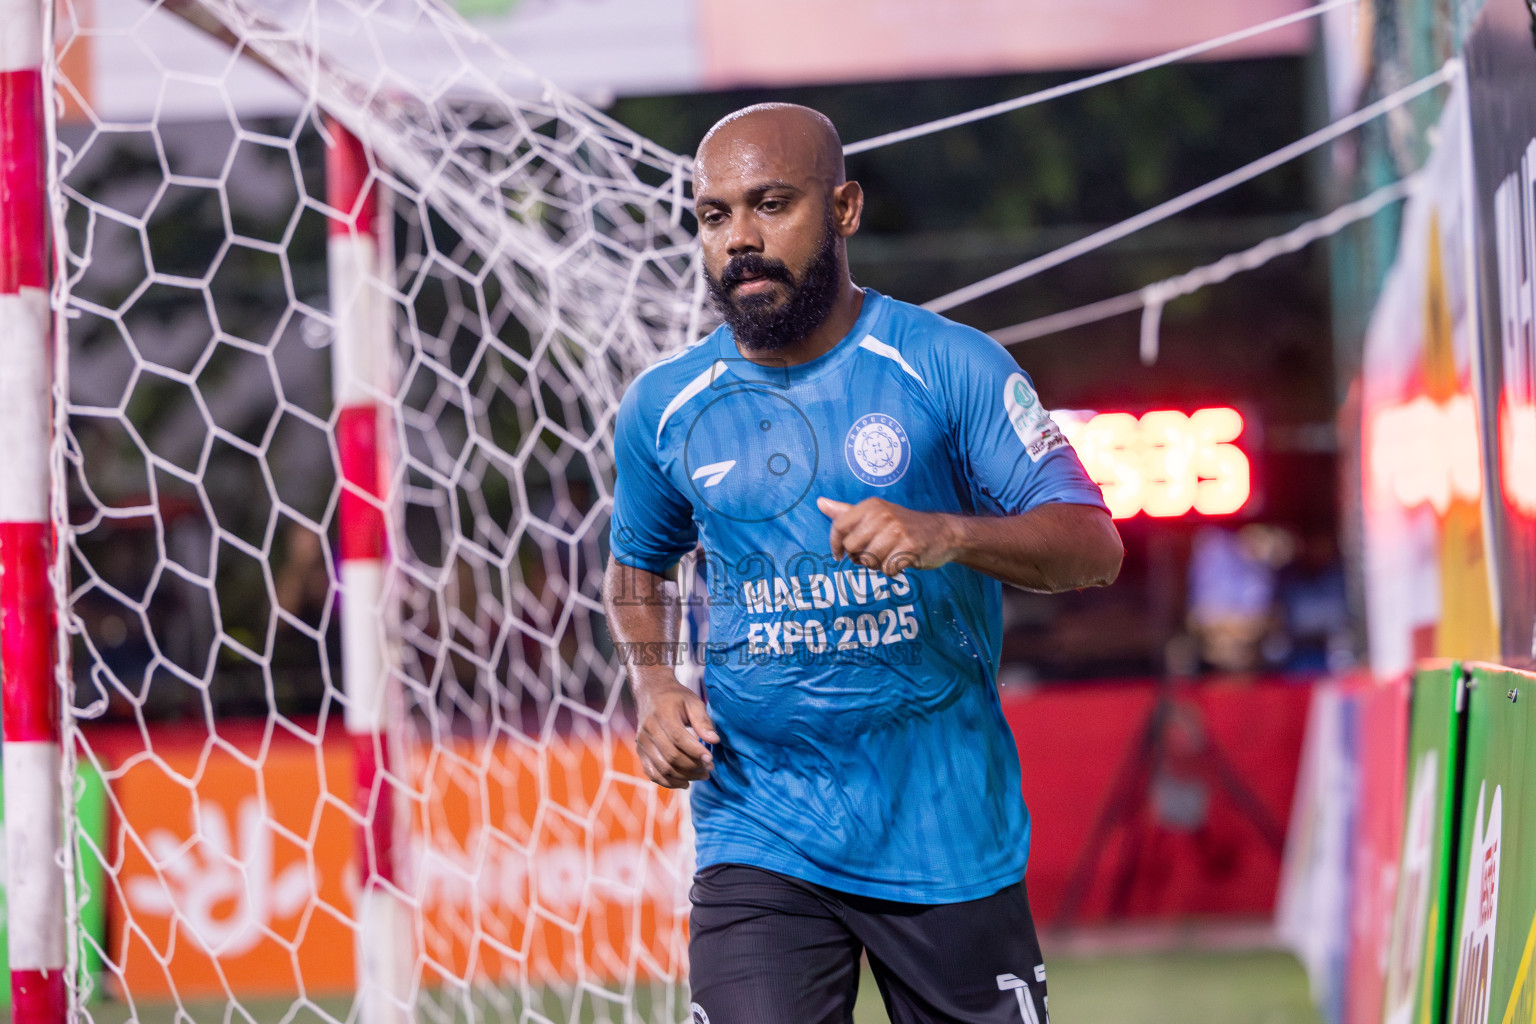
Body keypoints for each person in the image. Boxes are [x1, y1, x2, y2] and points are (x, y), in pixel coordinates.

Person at [603, 103, 1123, 1024]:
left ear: (843, 209)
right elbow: (636, 570)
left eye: (771, 205)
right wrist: (655, 688)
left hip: (944, 830)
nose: (741, 241)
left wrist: (951, 534)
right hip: (759, 826)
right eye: (715, 216)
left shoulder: (949, 366)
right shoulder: (665, 406)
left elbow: (1092, 544)